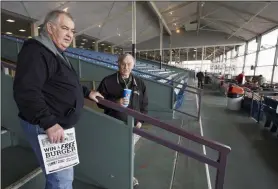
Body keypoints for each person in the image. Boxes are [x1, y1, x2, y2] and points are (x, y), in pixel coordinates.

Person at [13, 10, 103, 189]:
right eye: (65, 28)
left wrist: (85, 92)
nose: (70, 34)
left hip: (56, 125)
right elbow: (26, 91)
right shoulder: (36, 51)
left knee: (61, 179)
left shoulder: (54, 50)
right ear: (50, 28)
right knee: (61, 181)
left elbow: (60, 81)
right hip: (48, 126)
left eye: (72, 30)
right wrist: (49, 123)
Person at [97, 53, 148, 187]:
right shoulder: (107, 81)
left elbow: (144, 105)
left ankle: (127, 176)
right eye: (123, 63)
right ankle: (112, 174)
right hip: (113, 125)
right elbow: (99, 102)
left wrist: (141, 121)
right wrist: (115, 102)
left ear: (133, 66)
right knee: (114, 151)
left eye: (129, 64)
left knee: (130, 153)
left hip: (134, 127)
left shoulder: (140, 83)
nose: (126, 67)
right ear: (118, 63)